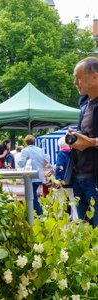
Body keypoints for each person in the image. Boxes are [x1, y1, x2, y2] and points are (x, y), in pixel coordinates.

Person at [66, 57, 98, 227]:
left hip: (95, 179)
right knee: (86, 233)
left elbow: (91, 141)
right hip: (80, 176)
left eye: (78, 77)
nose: (75, 82)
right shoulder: (84, 104)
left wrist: (92, 142)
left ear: (95, 77)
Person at [18, 135, 49, 215]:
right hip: (39, 176)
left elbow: (21, 164)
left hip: (30, 176)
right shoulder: (40, 150)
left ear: (26, 142)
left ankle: (38, 214)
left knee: (31, 196)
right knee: (33, 195)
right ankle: (37, 213)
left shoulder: (25, 150)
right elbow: (45, 161)